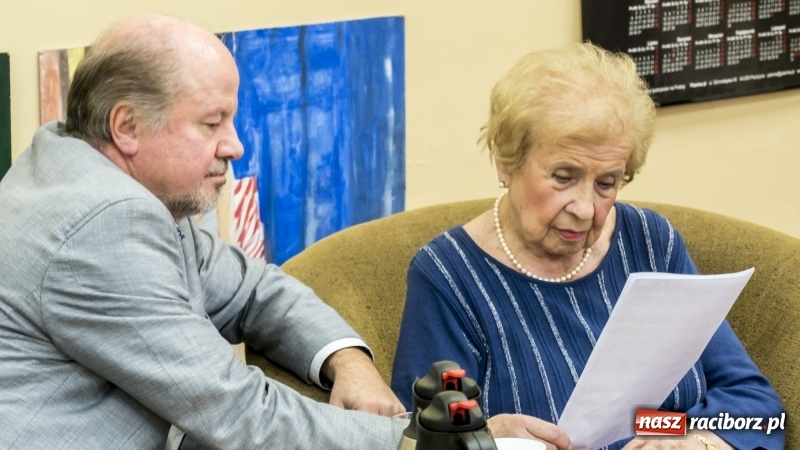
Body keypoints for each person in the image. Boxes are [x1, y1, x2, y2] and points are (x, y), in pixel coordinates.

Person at [0, 13, 408, 449]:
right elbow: (237, 412)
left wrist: (347, 360)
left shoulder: (88, 167)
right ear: (126, 127)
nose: (235, 146)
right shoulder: (104, 223)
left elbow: (254, 291)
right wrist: (405, 441)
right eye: (212, 124)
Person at [391, 42, 784, 450]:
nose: (584, 208)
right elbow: (422, 439)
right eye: (563, 176)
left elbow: (756, 407)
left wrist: (690, 441)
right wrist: (488, 435)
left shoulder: (651, 243)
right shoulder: (449, 277)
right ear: (506, 159)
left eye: (606, 183)